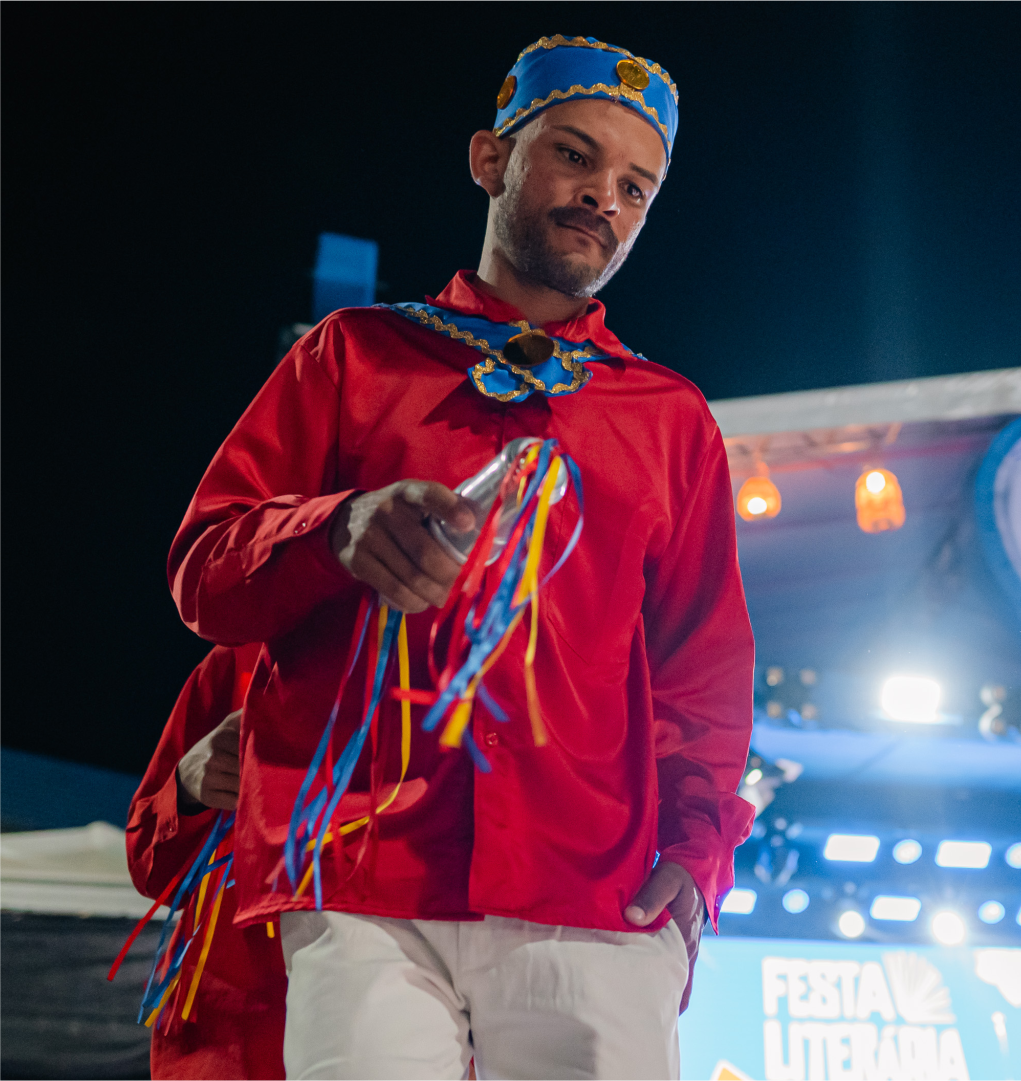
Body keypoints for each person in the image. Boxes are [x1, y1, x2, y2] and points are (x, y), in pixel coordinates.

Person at [167, 34, 756, 1080]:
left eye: (636, 186)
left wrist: (695, 856)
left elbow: (702, 667)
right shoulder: (352, 356)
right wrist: (336, 531)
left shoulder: (669, 417)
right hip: (359, 874)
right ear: (491, 160)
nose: (604, 198)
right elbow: (204, 572)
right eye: (573, 155)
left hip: (596, 891)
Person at [125, 643, 285, 1081]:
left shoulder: (444, 666)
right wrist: (186, 788)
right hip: (228, 1034)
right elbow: (147, 864)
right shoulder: (241, 658)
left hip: (393, 1011)